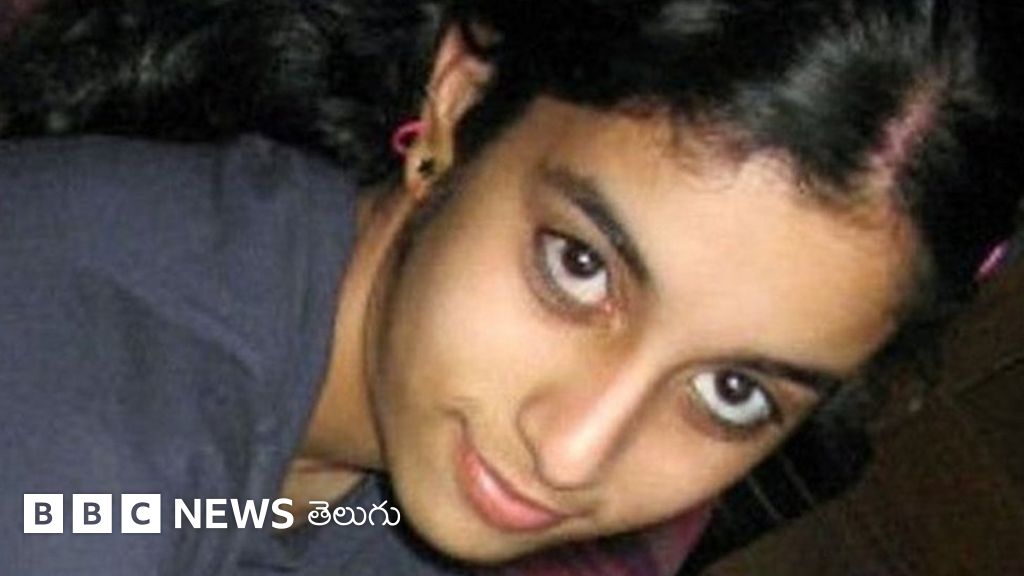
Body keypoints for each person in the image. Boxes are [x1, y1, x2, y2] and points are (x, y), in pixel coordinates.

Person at [0, 0, 1021, 574]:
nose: (573, 452)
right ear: (459, 102)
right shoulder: (74, 470)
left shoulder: (380, 447)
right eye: (579, 267)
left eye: (732, 392)